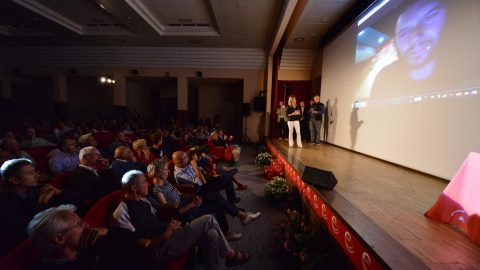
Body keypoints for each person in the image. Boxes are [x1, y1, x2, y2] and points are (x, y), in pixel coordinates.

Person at [110, 170, 252, 269]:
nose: (148, 184)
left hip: (167, 237)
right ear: (135, 188)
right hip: (157, 249)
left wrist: (172, 225)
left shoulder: (145, 201)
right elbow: (133, 245)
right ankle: (231, 255)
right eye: (144, 182)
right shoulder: (121, 212)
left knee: (212, 234)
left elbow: (156, 221)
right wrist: (163, 236)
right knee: (208, 219)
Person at [148, 159, 256, 241]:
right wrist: (192, 204)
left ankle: (239, 218)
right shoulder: (157, 190)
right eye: (165, 169)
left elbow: (180, 194)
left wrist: (193, 197)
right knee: (217, 201)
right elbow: (171, 214)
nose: (168, 170)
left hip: (189, 202)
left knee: (214, 195)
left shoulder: (165, 182)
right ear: (158, 173)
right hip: (186, 213)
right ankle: (237, 220)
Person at [370, 0, 448, 98]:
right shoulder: (385, 78)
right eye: (403, 33)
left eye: (429, 17)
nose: (414, 38)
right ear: (396, 44)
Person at [27, 204, 140, 270]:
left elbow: (133, 241)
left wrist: (108, 233)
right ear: (59, 239)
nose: (87, 225)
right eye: (79, 224)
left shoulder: (91, 243)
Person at [0, 158, 67, 256]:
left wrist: (59, 193)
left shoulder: (35, 189)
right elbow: (29, 231)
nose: (37, 175)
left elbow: (76, 200)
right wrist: (42, 203)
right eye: (31, 173)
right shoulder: (5, 205)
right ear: (15, 180)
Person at [63, 147, 112, 216]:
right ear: (86, 158)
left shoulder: (98, 169)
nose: (100, 157)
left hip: (107, 202)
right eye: (97, 155)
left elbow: (112, 183)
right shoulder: (79, 175)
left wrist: (107, 167)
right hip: (97, 209)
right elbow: (89, 199)